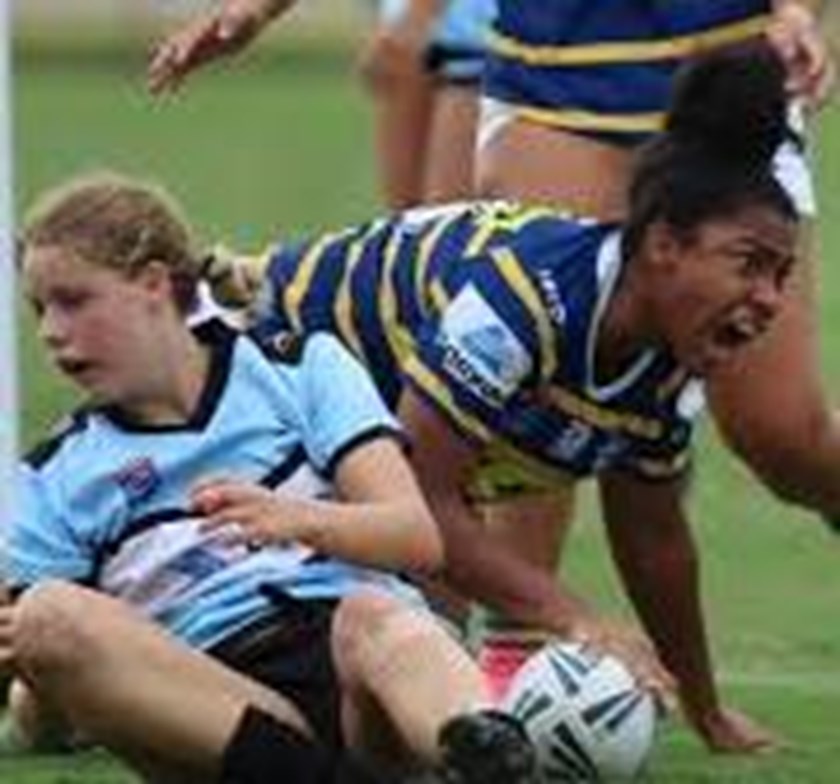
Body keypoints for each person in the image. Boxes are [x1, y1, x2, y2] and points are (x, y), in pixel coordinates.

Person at [206, 43, 800, 751]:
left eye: (781, 275)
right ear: (665, 246)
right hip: (258, 385)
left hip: (370, 461)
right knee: (341, 682)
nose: (768, 300)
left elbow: (654, 537)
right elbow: (424, 501)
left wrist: (705, 711)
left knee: (419, 688)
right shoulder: (522, 298)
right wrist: (577, 620)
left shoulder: (672, 368)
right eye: (749, 265)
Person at [0, 171, 539, 783]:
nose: (50, 332)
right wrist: (33, 669)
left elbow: (416, 537)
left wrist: (298, 518)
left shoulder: (299, 364)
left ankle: (483, 755)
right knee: (46, 614)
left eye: (73, 300)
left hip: (358, 669)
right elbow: (47, 700)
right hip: (210, 700)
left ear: (153, 284)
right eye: (40, 309)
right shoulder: (54, 475)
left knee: (374, 614)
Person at [471, 0, 837, 710]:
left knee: (782, 435)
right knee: (548, 359)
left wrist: (796, 9)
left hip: (728, 63)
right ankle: (516, 656)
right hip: (558, 71)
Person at [148, 0, 496, 207]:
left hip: (484, 44)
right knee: (412, 255)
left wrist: (419, 17)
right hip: (427, 40)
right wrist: (253, 11)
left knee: (454, 260)